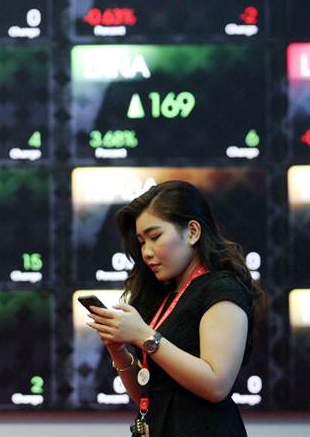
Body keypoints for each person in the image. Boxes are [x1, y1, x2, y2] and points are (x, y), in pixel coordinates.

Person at [86, 180, 265, 437]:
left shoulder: (222, 289)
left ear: (192, 232)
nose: (146, 252)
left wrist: (144, 336)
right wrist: (118, 349)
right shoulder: (165, 295)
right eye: (141, 242)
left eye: (155, 237)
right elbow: (146, 394)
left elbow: (216, 385)